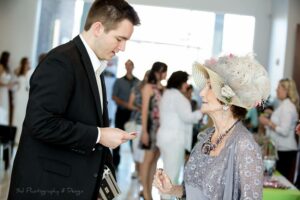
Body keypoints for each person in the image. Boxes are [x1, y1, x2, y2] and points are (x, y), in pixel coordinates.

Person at [8, 0, 140, 199]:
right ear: (98, 28)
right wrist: (99, 135)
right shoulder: (61, 62)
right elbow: (41, 123)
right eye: (119, 39)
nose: (122, 48)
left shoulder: (95, 65)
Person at [153, 54, 270, 200]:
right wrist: (171, 189)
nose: (201, 93)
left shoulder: (244, 145)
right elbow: (192, 191)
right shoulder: (206, 136)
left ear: (226, 100)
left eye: (209, 87)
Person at [156, 71, 202, 193]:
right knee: (171, 175)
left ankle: (165, 196)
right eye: (186, 82)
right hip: (174, 140)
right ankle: (166, 197)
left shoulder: (167, 94)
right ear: (180, 83)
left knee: (168, 172)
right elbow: (187, 117)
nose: (187, 85)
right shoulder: (178, 97)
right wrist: (202, 112)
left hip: (165, 138)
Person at [259, 78, 299, 182]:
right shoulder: (284, 105)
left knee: (282, 181)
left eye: (279, 88)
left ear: (286, 90)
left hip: (285, 150)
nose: (276, 90)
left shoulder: (287, 107)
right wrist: (271, 115)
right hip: (282, 149)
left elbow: (284, 131)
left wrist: (268, 122)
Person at [140, 61, 167, 200]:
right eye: (164, 71)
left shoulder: (162, 88)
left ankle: (149, 192)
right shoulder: (148, 87)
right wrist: (144, 131)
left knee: (154, 161)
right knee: (147, 160)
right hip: (151, 128)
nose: (165, 74)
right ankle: (145, 193)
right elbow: (144, 111)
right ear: (158, 71)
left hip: (161, 129)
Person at [112, 59, 139, 169]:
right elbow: (114, 97)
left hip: (133, 115)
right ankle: (115, 164)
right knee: (118, 137)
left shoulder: (138, 82)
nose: (128, 67)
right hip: (121, 113)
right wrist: (126, 104)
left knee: (134, 140)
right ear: (125, 67)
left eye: (130, 65)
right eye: (127, 65)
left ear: (133, 67)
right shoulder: (118, 81)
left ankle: (136, 167)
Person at [13, 57, 31, 144]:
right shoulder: (19, 72)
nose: (28, 64)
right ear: (24, 63)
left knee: (24, 114)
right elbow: (15, 77)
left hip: (25, 95)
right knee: (18, 113)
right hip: (19, 95)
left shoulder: (29, 72)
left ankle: (21, 137)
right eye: (27, 63)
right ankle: (15, 136)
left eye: (29, 63)